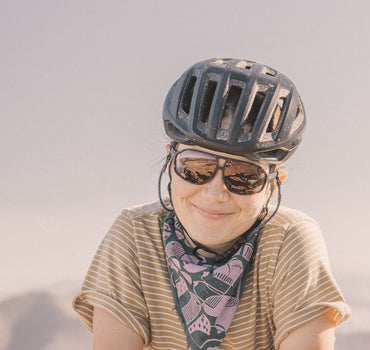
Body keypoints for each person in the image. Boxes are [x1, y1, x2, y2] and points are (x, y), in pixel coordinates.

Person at [73, 58, 351, 350]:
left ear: (273, 183)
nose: (215, 193)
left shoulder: (288, 240)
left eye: (243, 176)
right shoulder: (135, 234)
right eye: (196, 168)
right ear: (170, 163)